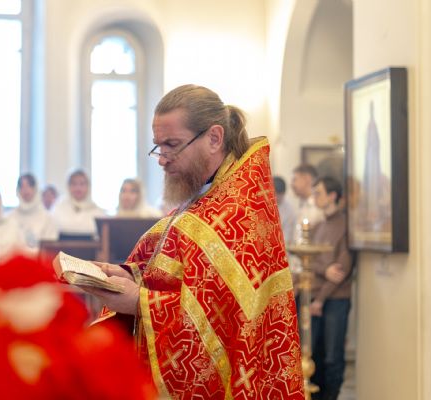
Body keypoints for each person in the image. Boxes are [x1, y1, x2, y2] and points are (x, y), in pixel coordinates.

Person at [57, 84, 304, 399]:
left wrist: (138, 302)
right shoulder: (205, 197)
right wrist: (131, 275)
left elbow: (219, 322)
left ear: (214, 138)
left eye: (172, 145)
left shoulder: (237, 212)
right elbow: (182, 276)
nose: (162, 159)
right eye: (158, 147)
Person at [303, 176, 353, 400]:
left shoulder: (346, 226)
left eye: (319, 193)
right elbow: (309, 262)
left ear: (332, 196)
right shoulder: (318, 226)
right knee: (314, 354)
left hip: (335, 299)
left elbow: (341, 271)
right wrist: (324, 269)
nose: (314, 197)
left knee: (333, 356)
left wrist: (320, 300)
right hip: (315, 297)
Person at [8, 173, 59, 250]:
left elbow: (50, 245)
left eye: (29, 185)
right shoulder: (10, 217)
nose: (25, 190)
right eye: (22, 186)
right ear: (17, 190)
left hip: (41, 257)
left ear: (35, 189)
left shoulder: (47, 217)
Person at [51, 169, 106, 237]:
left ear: (88, 186)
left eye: (82, 184)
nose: (78, 188)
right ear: (68, 186)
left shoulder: (97, 211)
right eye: (74, 184)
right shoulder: (58, 208)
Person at [290, 163, 325, 242]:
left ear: (307, 179)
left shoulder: (318, 206)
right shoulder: (303, 204)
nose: (291, 184)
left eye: (294, 179)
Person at [274, 175, 297, 244]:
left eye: (279, 194)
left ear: (283, 193)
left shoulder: (289, 210)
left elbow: (287, 235)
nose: (276, 197)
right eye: (274, 194)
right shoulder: (263, 204)